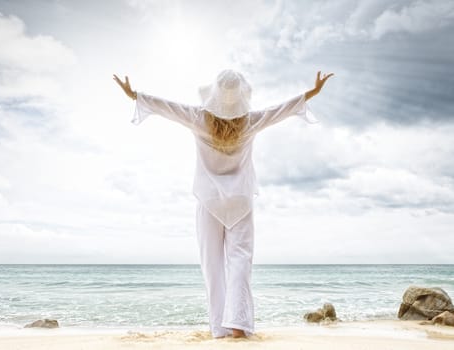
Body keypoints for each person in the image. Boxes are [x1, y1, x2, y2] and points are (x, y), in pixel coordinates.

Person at [113, 69, 333, 338]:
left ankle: (219, 329)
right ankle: (239, 326)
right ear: (241, 97)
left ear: (215, 94)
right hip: (240, 201)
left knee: (212, 265)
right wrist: (312, 92)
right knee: (240, 261)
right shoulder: (250, 121)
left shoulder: (198, 118)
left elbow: (166, 107)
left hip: (208, 201)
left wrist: (134, 94)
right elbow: (281, 110)